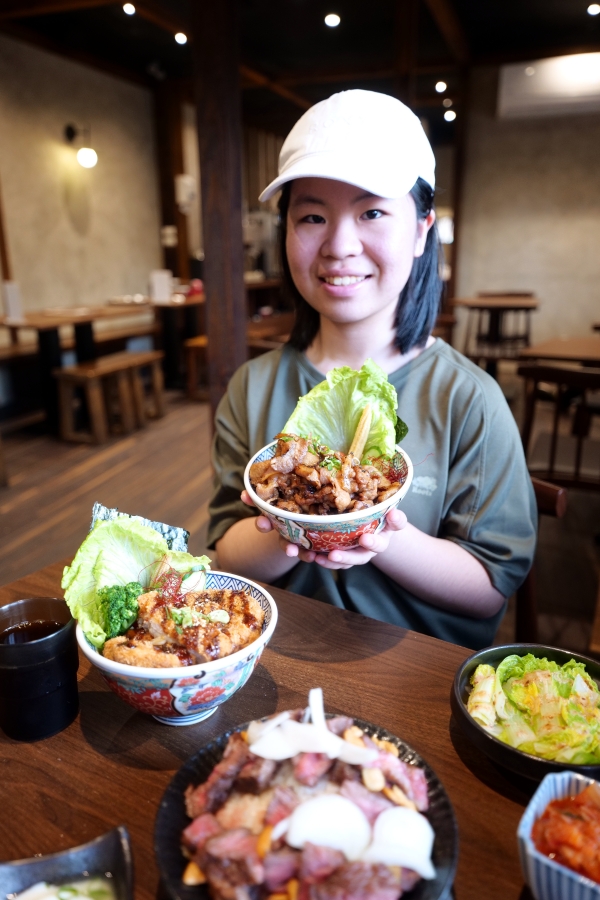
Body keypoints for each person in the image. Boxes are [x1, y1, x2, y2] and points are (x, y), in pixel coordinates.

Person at [207, 89, 536, 649]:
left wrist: (373, 528)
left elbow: (489, 586)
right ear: (286, 229)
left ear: (421, 228)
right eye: (312, 215)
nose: (339, 245)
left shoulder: (468, 398)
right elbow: (224, 553)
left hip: (418, 685)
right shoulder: (253, 386)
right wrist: (292, 528)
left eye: (373, 212)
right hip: (274, 667)